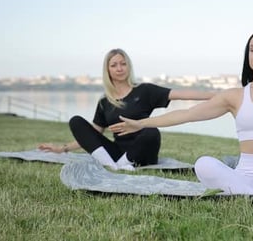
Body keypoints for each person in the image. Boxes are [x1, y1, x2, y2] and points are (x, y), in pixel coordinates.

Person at [112, 29, 253, 212]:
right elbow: (187, 115)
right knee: (204, 164)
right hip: (244, 177)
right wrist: (141, 124)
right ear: (248, 57)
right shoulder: (235, 96)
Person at [38, 48, 214, 171]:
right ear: (107, 70)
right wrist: (63, 149)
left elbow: (181, 94)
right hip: (117, 154)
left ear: (129, 66)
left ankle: (117, 166)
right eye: (114, 65)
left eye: (123, 64)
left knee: (151, 131)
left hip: (144, 154)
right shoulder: (104, 101)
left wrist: (217, 96)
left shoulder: (144, 91)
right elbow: (92, 135)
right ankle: (114, 166)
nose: (119, 68)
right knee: (76, 121)